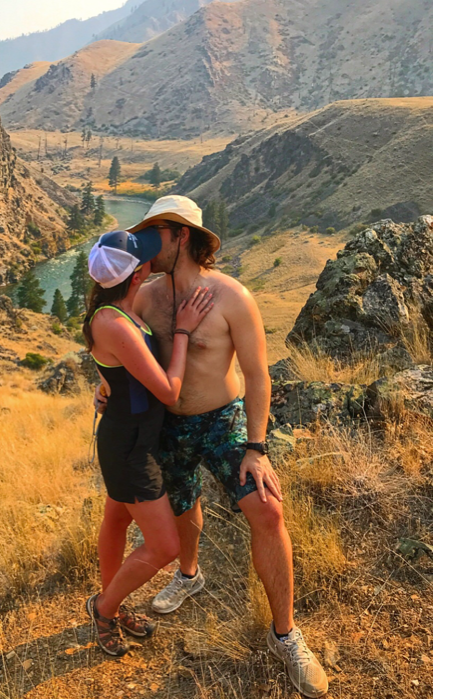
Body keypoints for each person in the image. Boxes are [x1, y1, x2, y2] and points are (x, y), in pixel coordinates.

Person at [94, 196, 329, 697]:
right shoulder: (146, 295)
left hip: (223, 422)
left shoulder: (232, 297)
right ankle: (189, 574)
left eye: (156, 230)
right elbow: (117, 346)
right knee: (181, 508)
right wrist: (107, 384)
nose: (146, 242)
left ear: (181, 234)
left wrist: (257, 447)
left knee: (266, 510)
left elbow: (257, 376)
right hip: (164, 428)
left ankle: (285, 635)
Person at [84, 228, 214, 657]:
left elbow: (114, 370)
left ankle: (113, 601)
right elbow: (168, 391)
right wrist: (182, 330)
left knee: (117, 521)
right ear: (138, 273)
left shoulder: (117, 311)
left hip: (132, 438)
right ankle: (103, 608)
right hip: (129, 448)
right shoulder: (112, 321)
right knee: (165, 546)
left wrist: (106, 385)